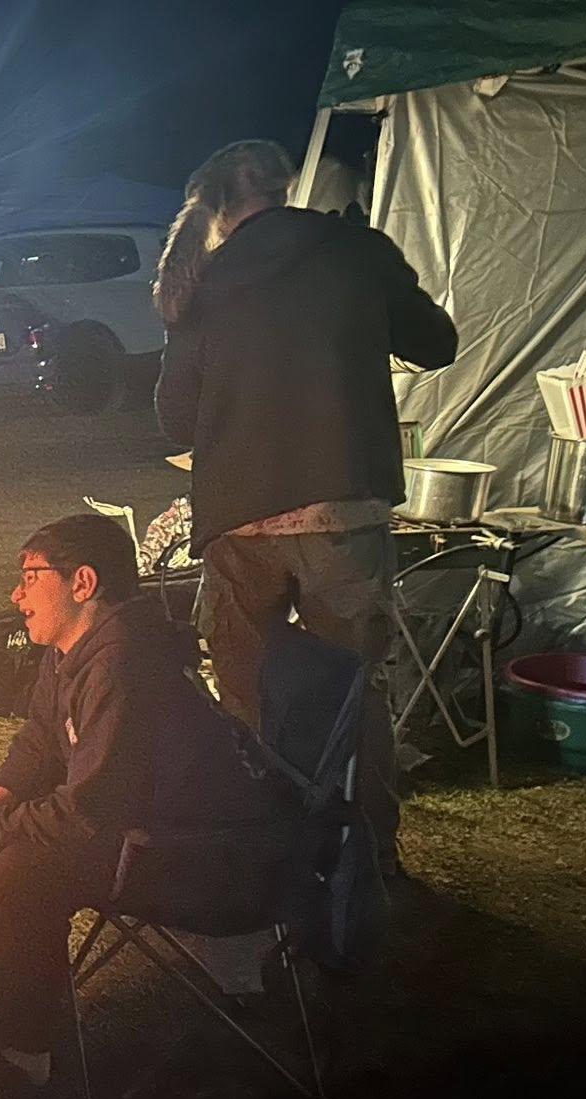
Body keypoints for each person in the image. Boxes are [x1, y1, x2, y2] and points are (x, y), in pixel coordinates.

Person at [0, 513, 284, 1099]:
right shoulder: (74, 650)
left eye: (30, 577)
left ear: (82, 582)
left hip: (215, 861)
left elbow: (85, 814)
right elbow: (40, 740)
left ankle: (31, 1074)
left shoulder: (124, 665)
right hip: (147, 826)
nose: (17, 595)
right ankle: (6, 1000)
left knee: (22, 873)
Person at [153, 139, 457, 874]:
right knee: (356, 690)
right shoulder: (356, 249)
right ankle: (370, 855)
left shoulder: (206, 279)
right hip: (343, 510)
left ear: (219, 208)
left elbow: (172, 419)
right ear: (287, 187)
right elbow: (437, 343)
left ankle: (263, 852)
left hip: (240, 520)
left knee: (248, 697)